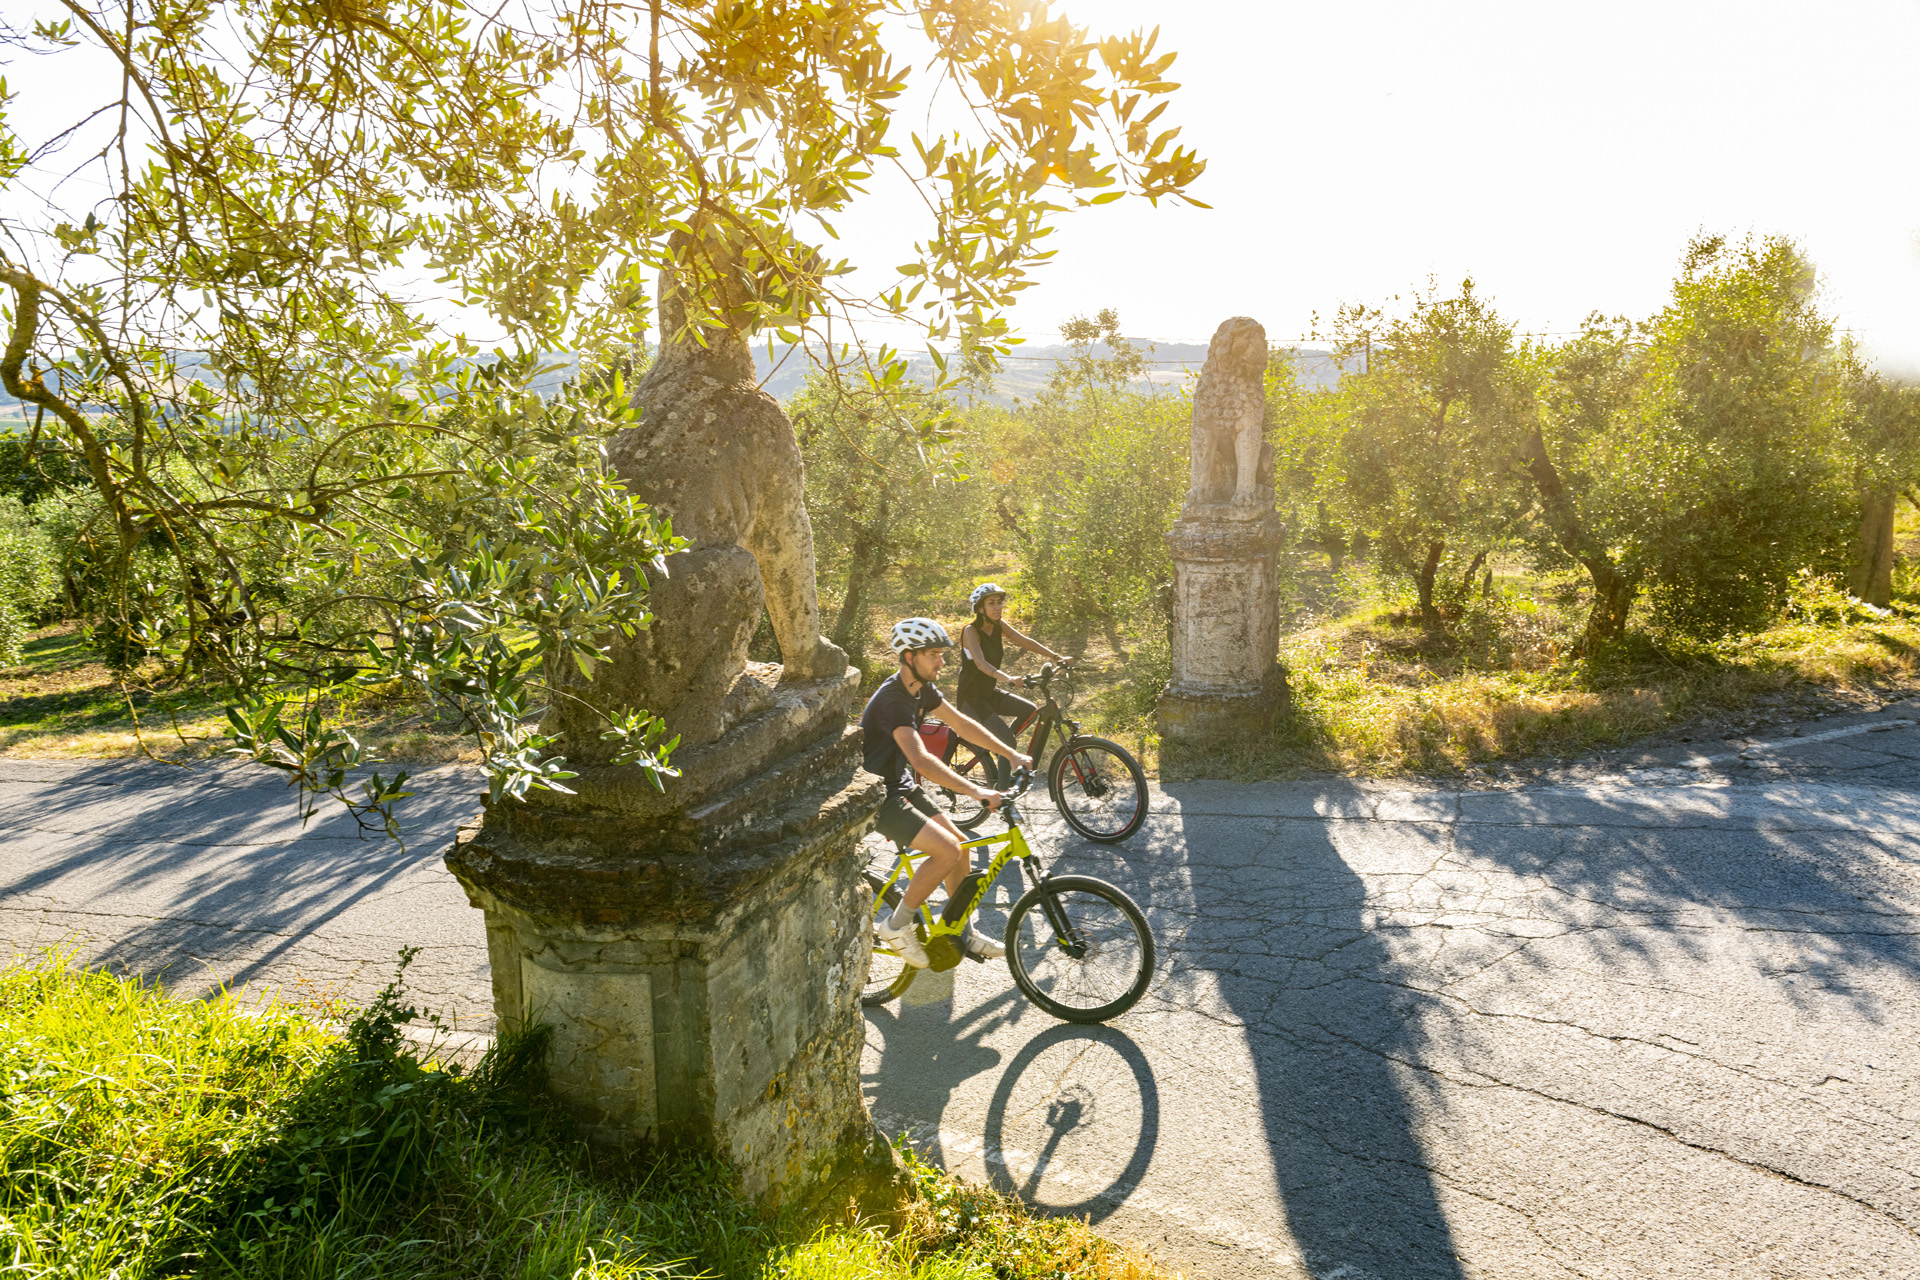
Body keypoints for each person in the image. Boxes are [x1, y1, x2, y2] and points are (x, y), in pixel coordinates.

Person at [862, 616, 1032, 969]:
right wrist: (977, 791)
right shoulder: (894, 700)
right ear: (909, 657)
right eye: (934, 655)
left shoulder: (921, 690)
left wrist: (1010, 753)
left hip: (902, 787)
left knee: (962, 849)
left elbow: (962, 723)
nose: (942, 661)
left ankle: (960, 932)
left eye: (942, 654)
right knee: (946, 851)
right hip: (878, 796)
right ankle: (895, 925)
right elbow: (921, 760)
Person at [956, 582, 1074, 786]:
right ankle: (1003, 795)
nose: (997, 607)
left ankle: (1001, 750)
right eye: (991, 603)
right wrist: (1007, 678)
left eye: (999, 603)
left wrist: (1057, 657)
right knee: (1008, 742)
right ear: (980, 608)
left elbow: (1024, 641)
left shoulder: (998, 626)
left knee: (1029, 710)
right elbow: (980, 663)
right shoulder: (970, 631)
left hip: (988, 692)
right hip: (972, 699)